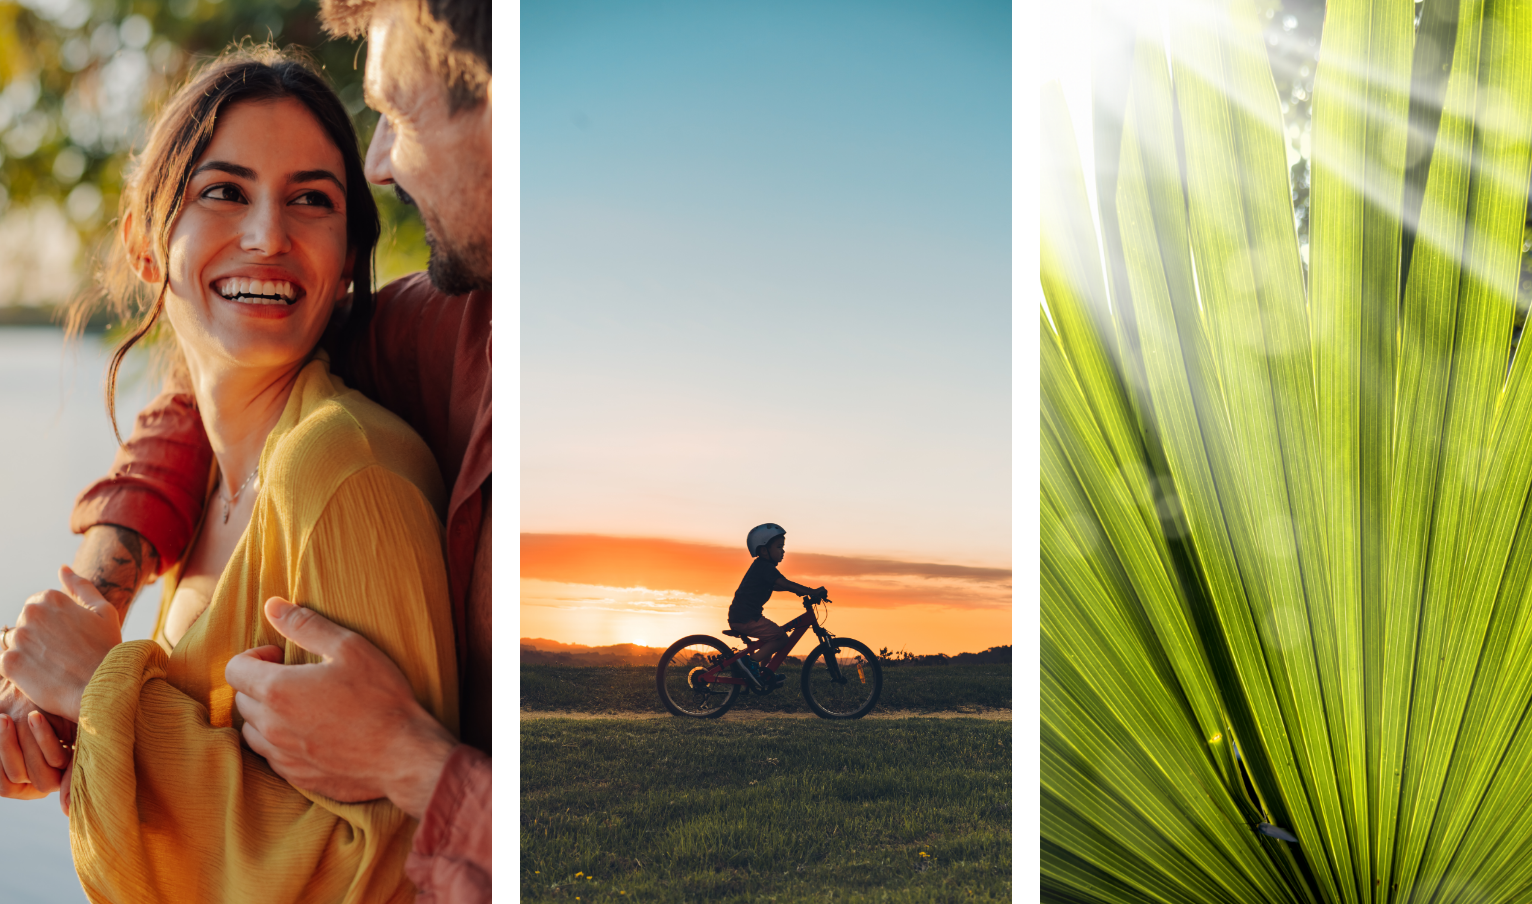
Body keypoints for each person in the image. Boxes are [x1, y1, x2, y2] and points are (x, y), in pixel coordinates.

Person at [0, 0, 493, 901]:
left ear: (347, 263)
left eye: (313, 199)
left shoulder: (343, 473)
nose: (269, 235)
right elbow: (238, 809)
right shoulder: (209, 494)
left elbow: (378, 868)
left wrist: (99, 687)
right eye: (224, 191)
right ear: (147, 247)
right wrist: (73, 737)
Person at [729, 523, 828, 690]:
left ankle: (761, 675)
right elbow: (784, 583)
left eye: (783, 547)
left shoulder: (762, 568)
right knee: (781, 637)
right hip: (746, 618)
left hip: (744, 616)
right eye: (779, 547)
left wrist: (799, 592)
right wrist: (811, 591)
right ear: (763, 550)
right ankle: (749, 663)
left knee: (772, 637)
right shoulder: (764, 567)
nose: (783, 551)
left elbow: (778, 585)